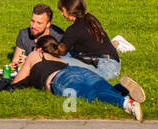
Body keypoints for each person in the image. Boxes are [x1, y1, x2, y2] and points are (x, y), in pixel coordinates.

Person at [11, 35, 144, 120]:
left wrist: (22, 66)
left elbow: (16, 82)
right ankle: (121, 89)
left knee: (92, 94)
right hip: (77, 70)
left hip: (61, 78)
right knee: (100, 87)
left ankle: (126, 103)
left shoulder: (35, 55)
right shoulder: (60, 59)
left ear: (39, 49)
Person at [55, 0, 134, 88]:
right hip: (112, 62)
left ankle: (121, 88)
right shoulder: (90, 18)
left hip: (104, 68)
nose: (61, 14)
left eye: (62, 10)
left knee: (56, 61)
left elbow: (59, 52)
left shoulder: (74, 30)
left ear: (70, 11)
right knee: (66, 56)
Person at [12, 3, 65, 68]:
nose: (33, 26)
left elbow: (59, 64)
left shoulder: (58, 37)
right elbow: (16, 60)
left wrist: (29, 61)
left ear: (48, 24)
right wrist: (13, 65)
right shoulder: (24, 34)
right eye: (32, 21)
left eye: (39, 23)